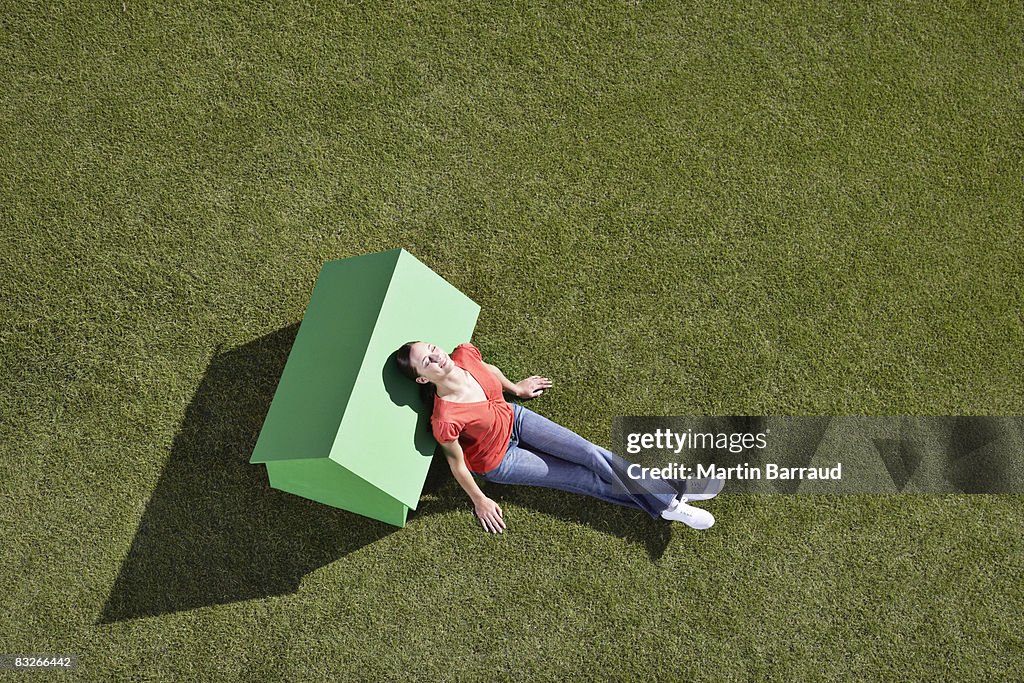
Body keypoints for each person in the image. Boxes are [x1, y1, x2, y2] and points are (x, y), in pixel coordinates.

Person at [395, 341, 722, 534]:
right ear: (423, 380)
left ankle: (667, 502)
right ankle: (672, 498)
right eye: (427, 361)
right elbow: (458, 465)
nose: (437, 356)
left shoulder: (464, 355)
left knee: (592, 454)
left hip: (517, 419)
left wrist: (516, 389)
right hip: (499, 460)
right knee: (585, 479)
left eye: (433, 348)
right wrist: (480, 500)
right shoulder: (445, 418)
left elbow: (489, 370)